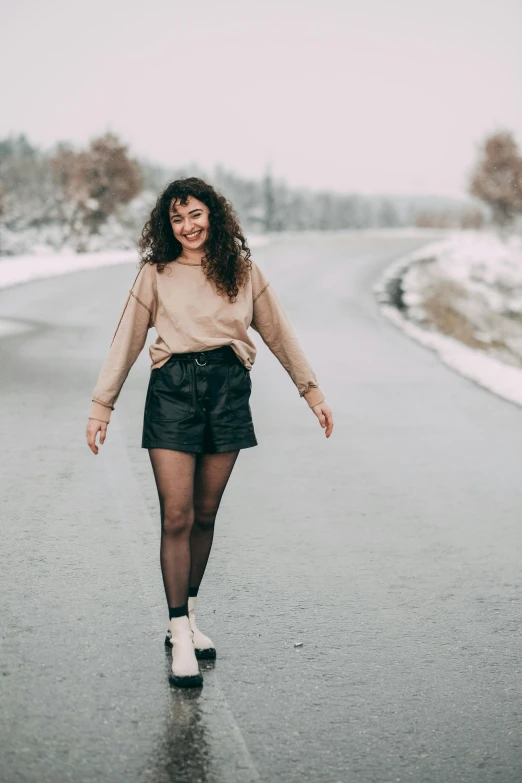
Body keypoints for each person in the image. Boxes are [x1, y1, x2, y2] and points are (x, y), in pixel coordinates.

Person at [86, 177, 334, 688]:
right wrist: (101, 405)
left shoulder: (242, 271)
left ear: (213, 216)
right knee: (175, 515)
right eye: (176, 219)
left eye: (195, 215)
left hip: (227, 390)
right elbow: (127, 340)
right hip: (173, 391)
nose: (187, 227)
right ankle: (179, 635)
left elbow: (280, 333)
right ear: (166, 224)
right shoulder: (155, 274)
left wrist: (312, 392)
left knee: (204, 514)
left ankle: (188, 614)